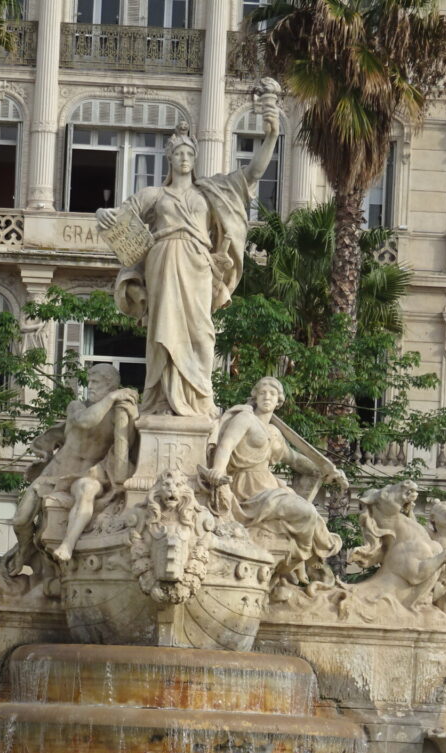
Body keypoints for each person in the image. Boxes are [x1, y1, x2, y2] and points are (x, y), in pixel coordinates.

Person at [96, 102, 280, 418]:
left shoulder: (210, 192)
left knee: (202, 332)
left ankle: (200, 399)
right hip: (164, 259)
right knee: (163, 327)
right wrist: (104, 214)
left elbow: (254, 172)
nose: (184, 159)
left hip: (198, 264)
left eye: (189, 155)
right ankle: (161, 401)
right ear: (169, 159)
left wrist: (272, 135)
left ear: (194, 160)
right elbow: (121, 216)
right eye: (178, 154)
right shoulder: (155, 195)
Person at [1, 363, 138, 575]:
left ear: (110, 385)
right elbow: (85, 421)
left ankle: (68, 544)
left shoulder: (116, 416)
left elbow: (127, 446)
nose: (89, 387)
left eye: (95, 383)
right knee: (21, 519)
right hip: (55, 473)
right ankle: (23, 550)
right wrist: (111, 398)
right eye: (89, 382)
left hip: (88, 474)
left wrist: (131, 417)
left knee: (87, 490)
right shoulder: (77, 406)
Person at [206, 377, 347, 580]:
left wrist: (325, 472)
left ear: (278, 401)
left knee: (312, 516)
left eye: (272, 394)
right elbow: (226, 444)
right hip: (247, 486)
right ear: (255, 397)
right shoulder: (245, 419)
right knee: (306, 511)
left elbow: (295, 459)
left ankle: (297, 560)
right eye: (262, 393)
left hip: (268, 485)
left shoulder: (274, 432)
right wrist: (218, 470)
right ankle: (302, 558)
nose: (266, 397)